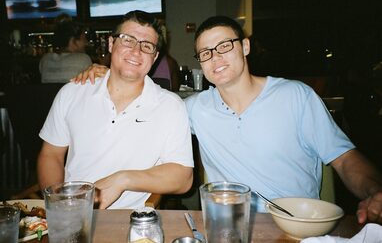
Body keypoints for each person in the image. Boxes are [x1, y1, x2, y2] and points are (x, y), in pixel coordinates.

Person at [72, 16, 382, 224]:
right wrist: (106, 75)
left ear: (245, 46)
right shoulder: (192, 108)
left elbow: (344, 159)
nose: (215, 57)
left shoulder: (295, 97)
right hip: (226, 230)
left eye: (224, 46)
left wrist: (374, 193)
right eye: (205, 53)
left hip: (295, 227)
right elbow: (143, 111)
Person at [37, 10, 194, 209]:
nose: (136, 51)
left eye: (147, 46)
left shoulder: (170, 106)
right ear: (111, 43)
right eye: (128, 40)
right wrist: (59, 206)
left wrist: (123, 180)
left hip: (131, 224)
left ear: (154, 58)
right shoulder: (72, 93)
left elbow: (183, 177)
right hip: (72, 214)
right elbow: (51, 154)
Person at [39, 14, 92, 83]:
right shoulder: (84, 59)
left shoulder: (45, 59)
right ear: (73, 40)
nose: (86, 42)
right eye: (83, 38)